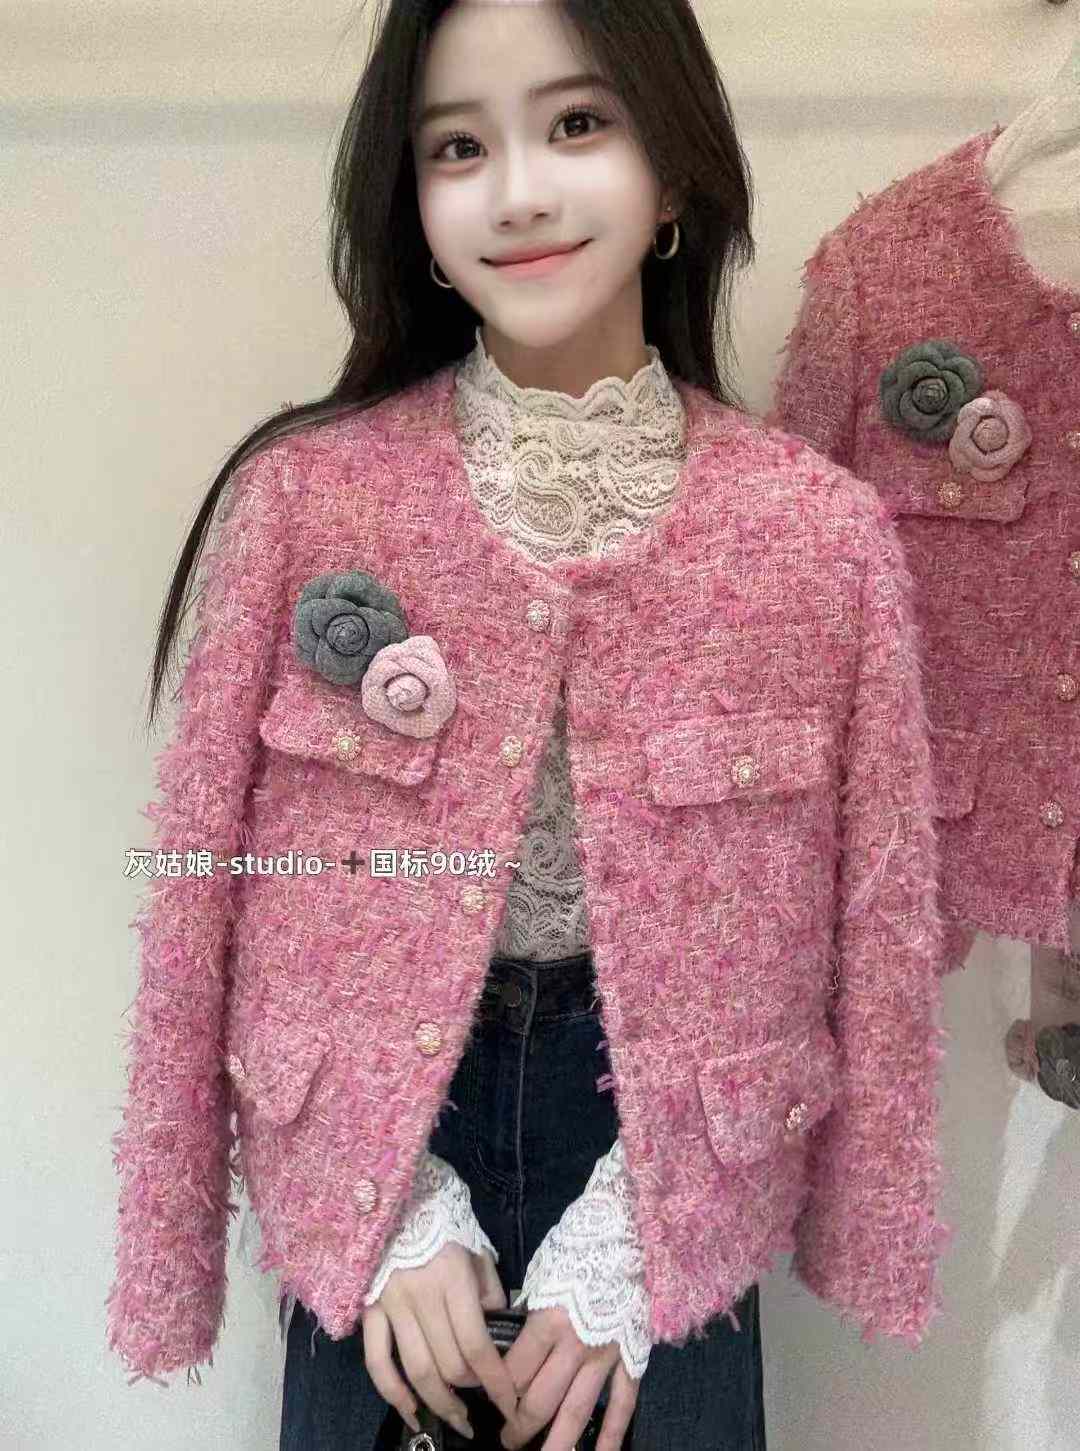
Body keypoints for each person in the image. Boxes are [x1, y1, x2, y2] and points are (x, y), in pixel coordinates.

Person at [106, 3, 949, 1449]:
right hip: (372, 1169)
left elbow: (868, 931)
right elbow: (209, 905)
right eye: (457, 147)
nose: (518, 191)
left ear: (673, 172)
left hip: (671, 1178)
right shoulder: (306, 503)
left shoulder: (818, 537)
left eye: (577, 123)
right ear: (415, 207)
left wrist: (654, 1227)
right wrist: (379, 1201)